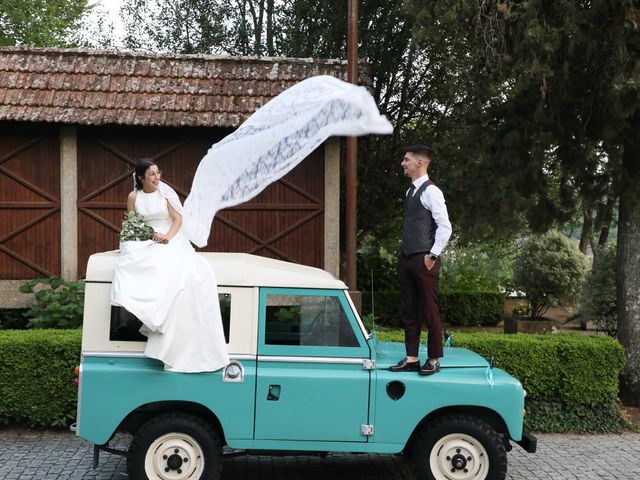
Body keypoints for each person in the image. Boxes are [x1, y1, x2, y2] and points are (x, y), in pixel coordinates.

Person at [111, 159, 229, 373]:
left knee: (169, 268)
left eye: (158, 173)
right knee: (130, 262)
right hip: (147, 236)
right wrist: (145, 236)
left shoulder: (165, 194)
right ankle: (147, 310)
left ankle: (163, 320)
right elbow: (132, 222)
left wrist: (166, 238)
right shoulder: (133, 197)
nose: (157, 178)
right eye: (152, 174)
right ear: (141, 177)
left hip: (170, 236)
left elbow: (177, 219)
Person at [390, 145, 452, 376]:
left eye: (406, 160)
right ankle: (412, 358)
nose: (402, 163)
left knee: (429, 310)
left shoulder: (431, 191)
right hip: (407, 257)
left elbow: (445, 227)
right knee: (409, 310)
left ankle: (434, 359)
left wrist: (432, 255)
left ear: (420, 163)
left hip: (425, 259)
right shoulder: (410, 192)